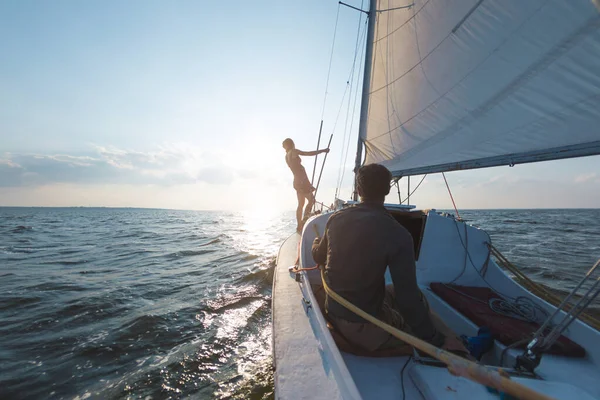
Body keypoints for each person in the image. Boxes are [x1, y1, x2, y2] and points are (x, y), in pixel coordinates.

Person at [311, 163, 466, 353]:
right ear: (387, 190)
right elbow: (407, 299)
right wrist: (435, 340)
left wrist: (315, 243)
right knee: (418, 305)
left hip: (334, 311)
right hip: (364, 329)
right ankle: (457, 348)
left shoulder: (335, 219)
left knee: (402, 294)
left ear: (358, 190)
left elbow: (318, 255)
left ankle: (448, 341)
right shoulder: (399, 234)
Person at [282, 138, 329, 232]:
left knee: (301, 204)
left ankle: (299, 225)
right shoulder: (293, 151)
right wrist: (322, 151)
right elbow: (308, 153)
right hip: (302, 180)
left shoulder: (286, 156)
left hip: (297, 180)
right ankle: (304, 221)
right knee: (311, 200)